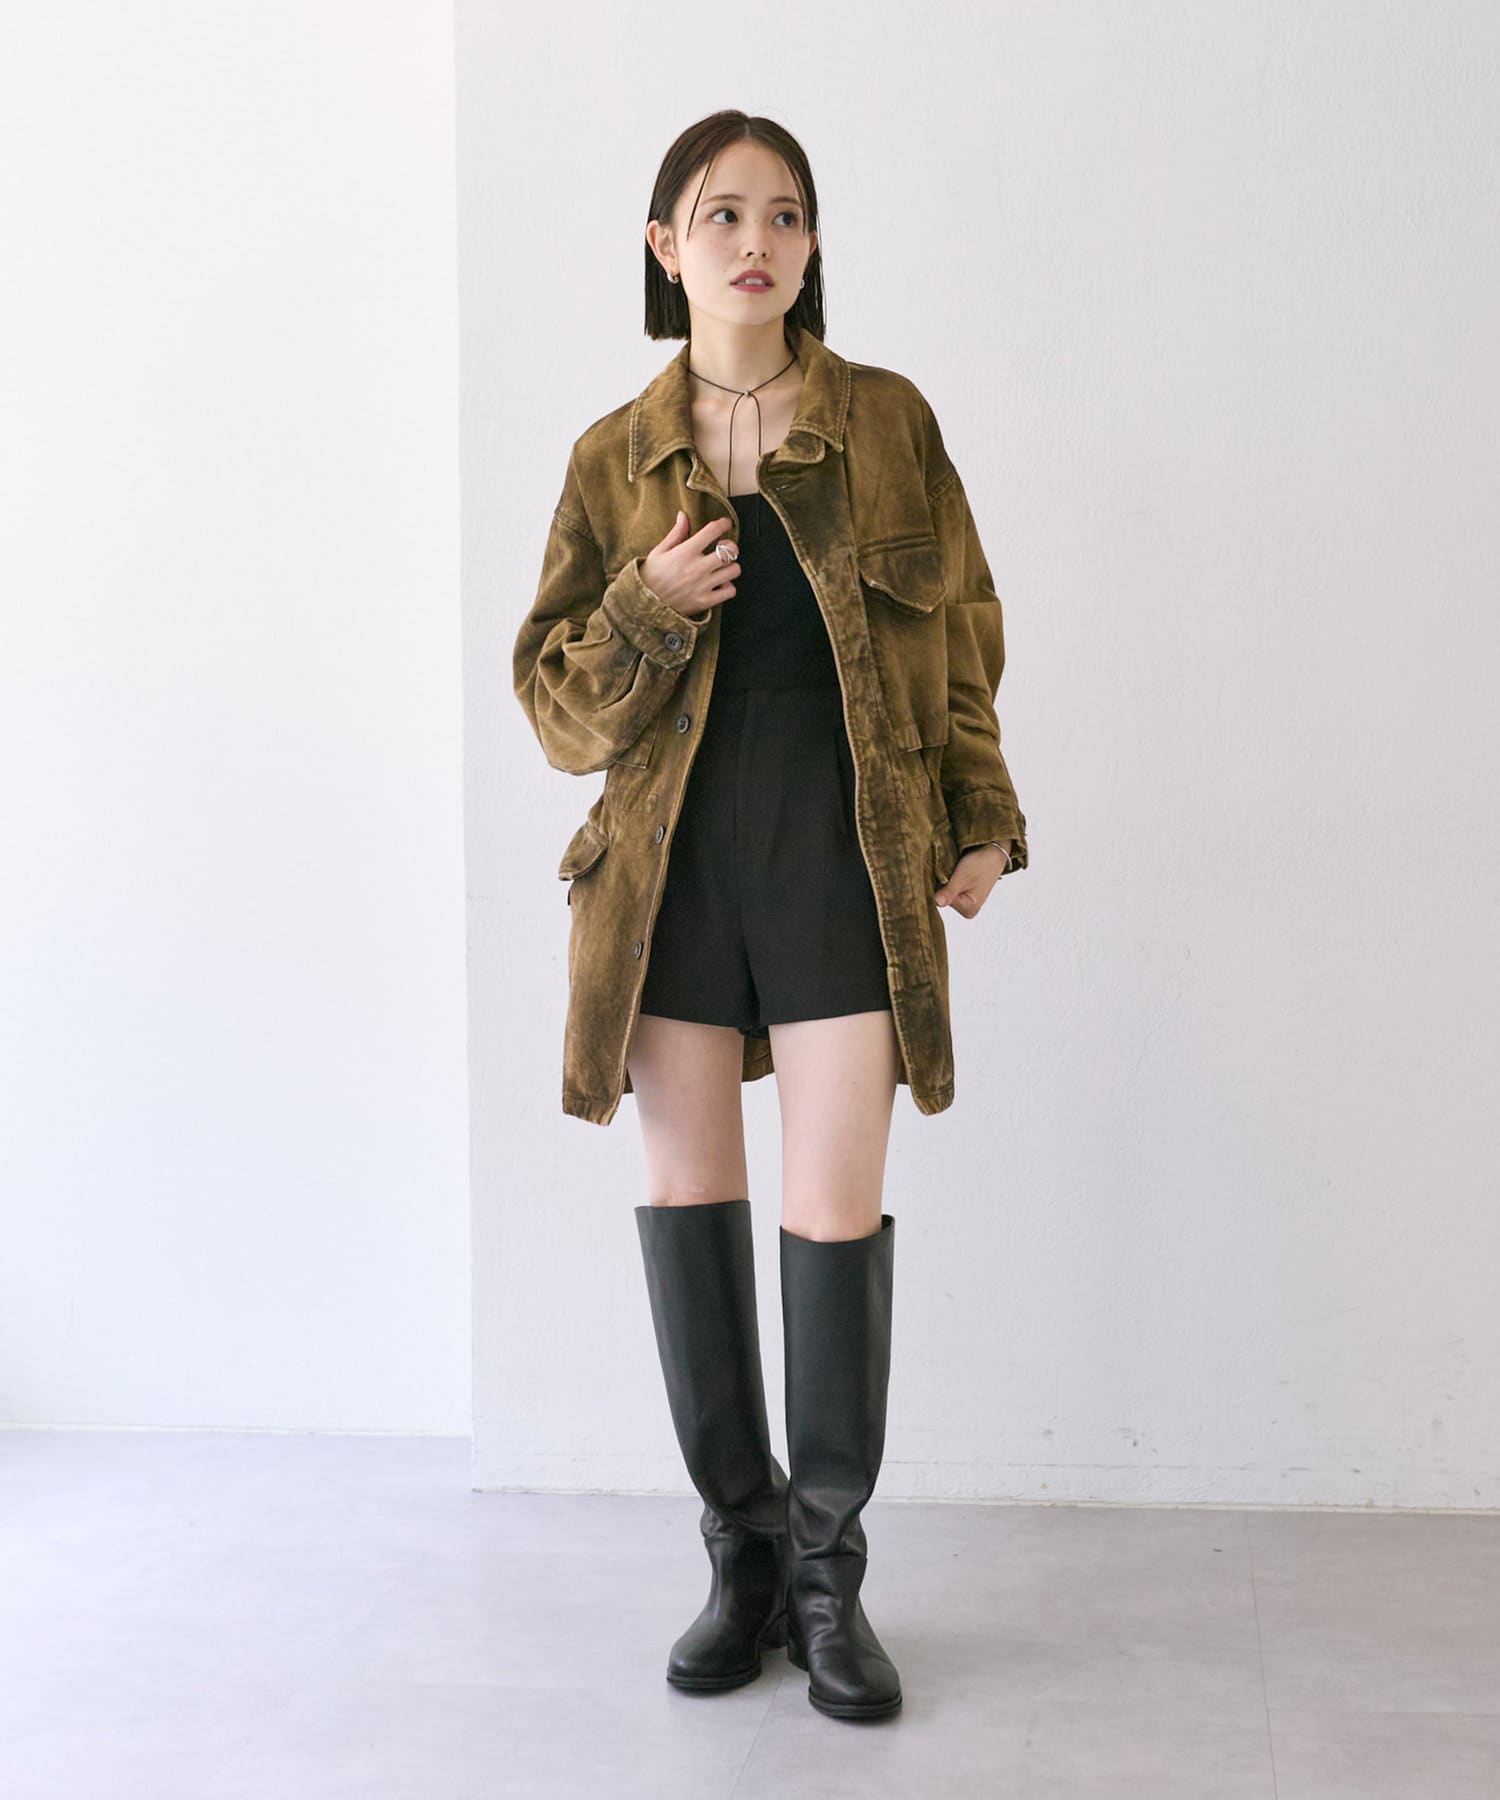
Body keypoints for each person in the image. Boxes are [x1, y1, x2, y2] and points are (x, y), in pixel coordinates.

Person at [512, 111, 1027, 1724]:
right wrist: (643, 608)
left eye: (787, 214)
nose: (758, 241)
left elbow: (964, 638)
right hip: (667, 877)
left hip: (842, 860)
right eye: (722, 213)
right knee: (690, 1199)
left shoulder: (887, 422)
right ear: (664, 244)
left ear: (811, 246)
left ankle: (826, 1577)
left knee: (834, 1209)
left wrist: (983, 814)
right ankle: (740, 1555)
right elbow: (556, 713)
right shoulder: (612, 458)